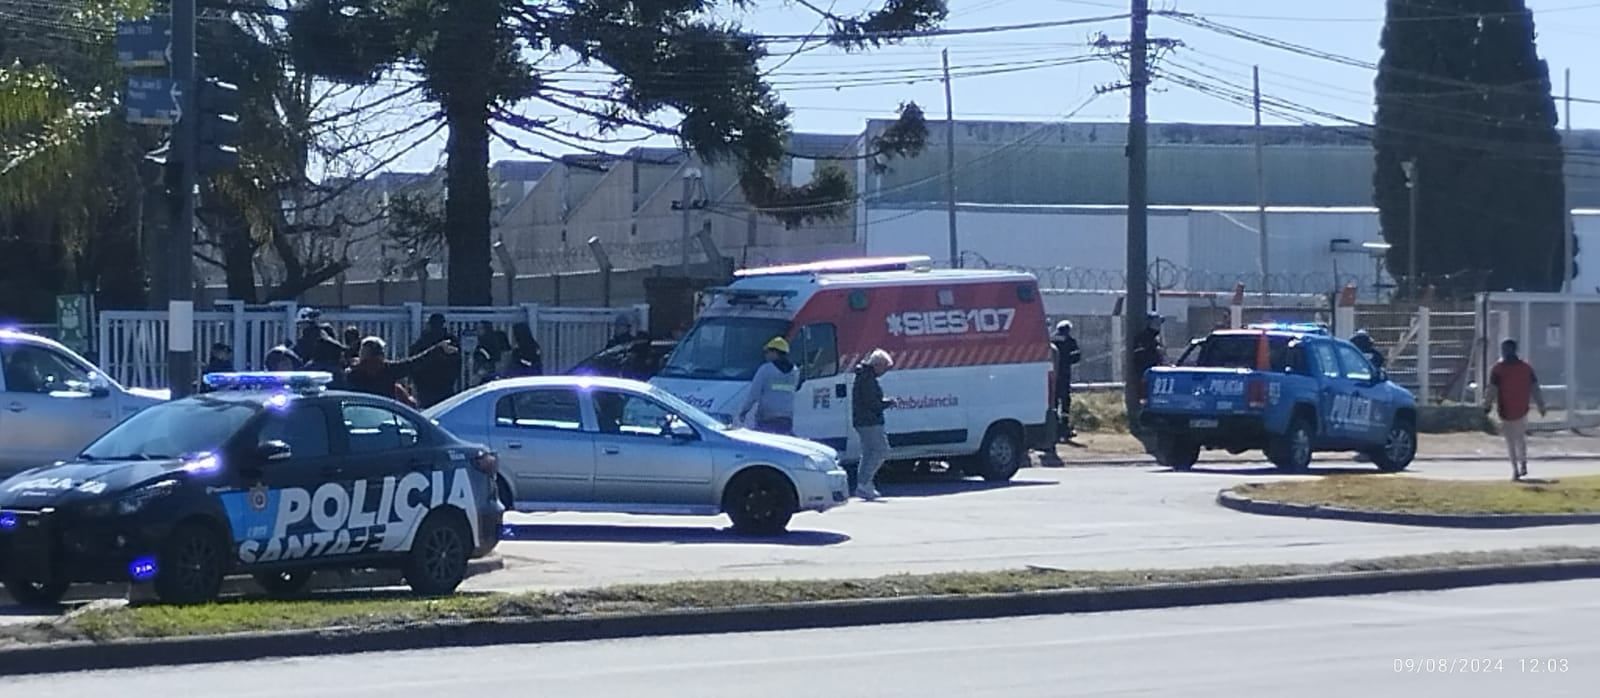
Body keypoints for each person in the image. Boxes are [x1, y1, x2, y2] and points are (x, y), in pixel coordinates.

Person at [1486, 338, 1547, 481]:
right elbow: (1535, 388)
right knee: (1520, 438)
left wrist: (1487, 405)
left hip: (1506, 409)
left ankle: (1515, 469)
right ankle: (1523, 463)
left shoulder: (1498, 369)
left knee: (1510, 441)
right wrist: (1541, 405)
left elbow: (1492, 389)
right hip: (1522, 407)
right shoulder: (1525, 368)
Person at [345, 336, 458, 406]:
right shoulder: (388, 370)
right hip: (384, 415)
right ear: (381, 354)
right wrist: (438, 349)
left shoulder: (352, 374)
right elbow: (415, 362)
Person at [851, 349, 895, 501]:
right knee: (880, 451)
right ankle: (864, 483)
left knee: (869, 452)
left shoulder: (863, 376)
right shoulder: (867, 379)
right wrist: (887, 403)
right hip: (870, 421)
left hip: (863, 420)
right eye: (884, 367)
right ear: (877, 365)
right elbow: (872, 403)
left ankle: (864, 484)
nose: (884, 372)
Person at [736, 337, 799, 434]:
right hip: (786, 419)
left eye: (767, 352)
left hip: (767, 418)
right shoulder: (795, 371)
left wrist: (744, 411)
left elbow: (754, 394)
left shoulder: (766, 369)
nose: (765, 355)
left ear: (775, 352)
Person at [408, 313, 461, 408]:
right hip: (445, 386)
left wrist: (416, 381)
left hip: (425, 386)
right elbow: (457, 363)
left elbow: (414, 359)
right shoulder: (451, 341)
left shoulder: (424, 340)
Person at [1052, 320, 1082, 442]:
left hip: (1052, 375)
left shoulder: (1051, 340)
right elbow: (1076, 357)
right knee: (1065, 401)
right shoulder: (1070, 341)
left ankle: (1053, 426)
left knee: (1053, 401)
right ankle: (1064, 427)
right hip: (1064, 375)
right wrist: (1067, 361)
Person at [1131, 312, 1167, 396]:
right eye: (1156, 323)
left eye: (1159, 323)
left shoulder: (1156, 339)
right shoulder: (1143, 338)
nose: (1158, 326)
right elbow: (1140, 359)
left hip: (1156, 375)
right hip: (1146, 376)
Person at [471, 321, 511, 386]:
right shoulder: (481, 343)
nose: (478, 331)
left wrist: (479, 375)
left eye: (481, 328)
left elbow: (491, 362)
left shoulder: (491, 344)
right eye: (477, 329)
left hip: (490, 379)